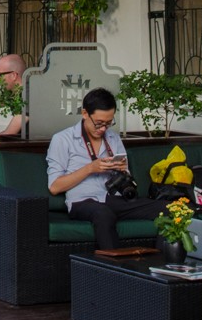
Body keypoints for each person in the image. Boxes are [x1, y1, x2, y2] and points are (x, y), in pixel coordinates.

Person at [46, 87, 167, 249]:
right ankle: (113, 271)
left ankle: (160, 263)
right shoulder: (62, 139)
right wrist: (90, 168)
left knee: (167, 209)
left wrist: (123, 170)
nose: (103, 129)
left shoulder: (113, 138)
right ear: (84, 114)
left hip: (113, 198)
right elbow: (55, 187)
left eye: (108, 123)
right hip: (82, 201)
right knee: (104, 214)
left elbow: (126, 178)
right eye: (99, 123)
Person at [0, 52, 28, 137]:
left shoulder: (28, 93)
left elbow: (10, 132)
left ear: (13, 75)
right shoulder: (19, 93)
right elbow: (3, 102)